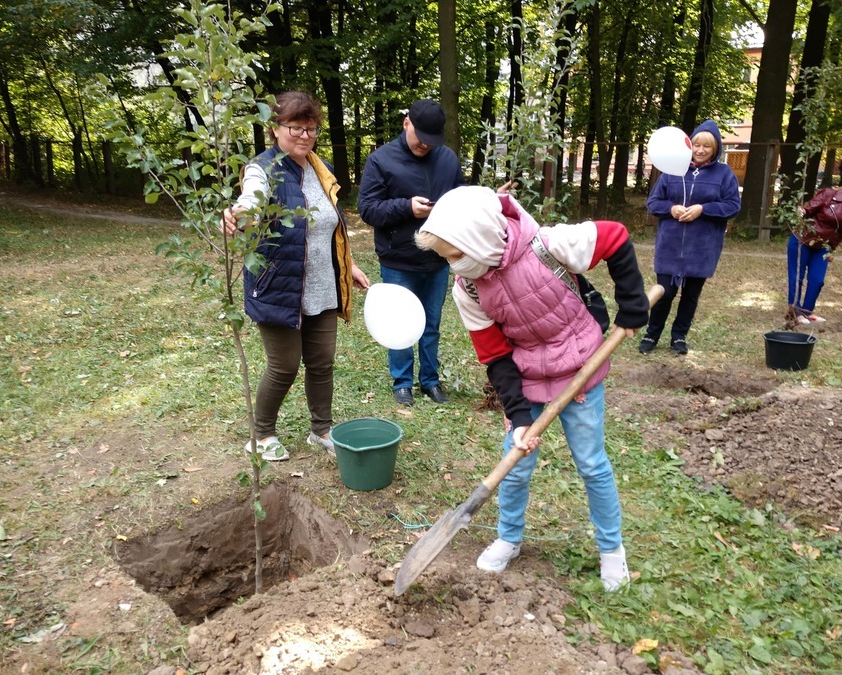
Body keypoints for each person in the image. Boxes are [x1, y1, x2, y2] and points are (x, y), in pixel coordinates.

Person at [415, 186, 649, 592]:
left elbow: (614, 237)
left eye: (455, 255)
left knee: (592, 463)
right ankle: (509, 538)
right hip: (526, 377)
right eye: (446, 259)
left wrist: (632, 305)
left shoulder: (549, 245)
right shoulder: (467, 287)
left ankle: (612, 551)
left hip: (580, 366)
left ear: (480, 241)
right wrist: (520, 416)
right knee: (516, 467)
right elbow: (493, 355)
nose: (452, 267)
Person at [221, 91, 370, 461]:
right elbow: (252, 200)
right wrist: (241, 214)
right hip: (278, 285)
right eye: (296, 128)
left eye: (311, 129)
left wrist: (346, 264)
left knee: (322, 362)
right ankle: (261, 434)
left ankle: (321, 430)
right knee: (284, 366)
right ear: (275, 128)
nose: (304, 136)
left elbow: (327, 226)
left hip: (322, 285)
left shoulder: (321, 170)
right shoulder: (263, 168)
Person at [357, 99, 465, 407]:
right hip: (398, 260)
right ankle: (402, 382)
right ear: (407, 124)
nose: (426, 146)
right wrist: (406, 207)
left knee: (431, 324)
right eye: (421, 139)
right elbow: (367, 209)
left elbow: (459, 199)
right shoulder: (381, 160)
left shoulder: (447, 159)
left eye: (433, 141)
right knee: (400, 324)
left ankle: (430, 381)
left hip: (437, 258)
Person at [640, 120, 740, 355]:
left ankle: (679, 337)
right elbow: (653, 202)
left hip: (702, 248)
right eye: (696, 145)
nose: (701, 150)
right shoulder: (673, 170)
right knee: (664, 292)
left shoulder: (724, 174)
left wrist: (703, 210)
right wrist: (672, 209)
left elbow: (732, 206)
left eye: (707, 146)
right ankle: (651, 335)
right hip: (670, 246)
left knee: (691, 295)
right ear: (689, 145)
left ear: (716, 149)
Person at [787, 172, 842, 323]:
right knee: (797, 278)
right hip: (803, 240)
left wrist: (831, 249)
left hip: (823, 247)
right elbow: (809, 210)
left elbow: (841, 231)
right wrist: (800, 212)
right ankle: (795, 312)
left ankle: (807, 312)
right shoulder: (828, 195)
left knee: (817, 280)